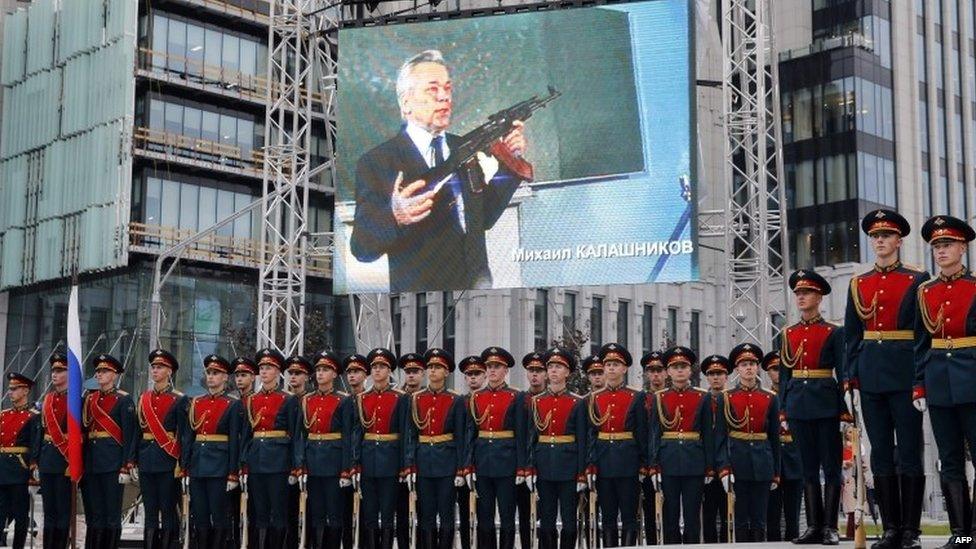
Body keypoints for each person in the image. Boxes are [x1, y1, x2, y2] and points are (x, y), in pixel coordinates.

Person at [349, 49, 529, 292]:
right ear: (406, 103)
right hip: (421, 306)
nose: (444, 97)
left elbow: (482, 218)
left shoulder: (463, 148)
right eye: (433, 89)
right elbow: (361, 248)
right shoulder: (378, 161)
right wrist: (395, 216)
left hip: (480, 295)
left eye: (448, 88)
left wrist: (509, 162)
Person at [844, 209, 929, 549]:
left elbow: (923, 335)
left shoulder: (916, 279)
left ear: (899, 241)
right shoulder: (858, 283)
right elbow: (852, 336)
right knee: (879, 453)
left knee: (908, 452)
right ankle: (891, 528)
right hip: (871, 378)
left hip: (905, 374)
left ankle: (911, 530)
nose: (880, 241)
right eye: (875, 237)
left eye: (886, 236)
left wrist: (920, 379)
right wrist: (850, 380)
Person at [913, 214, 976, 548]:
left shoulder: (975, 288)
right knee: (949, 459)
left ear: (962, 248)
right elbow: (920, 344)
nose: (940, 251)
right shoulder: (925, 292)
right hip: (939, 384)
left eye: (947, 244)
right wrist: (919, 384)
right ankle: (961, 532)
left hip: (972, 379)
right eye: (936, 245)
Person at [781, 270, 850, 545]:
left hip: (826, 402)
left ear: (819, 296)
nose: (801, 297)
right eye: (798, 293)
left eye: (806, 293)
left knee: (831, 465)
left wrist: (846, 411)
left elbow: (843, 371)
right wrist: (783, 409)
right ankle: (813, 526)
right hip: (798, 404)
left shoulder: (834, 331)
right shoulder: (788, 333)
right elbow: (785, 374)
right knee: (807, 467)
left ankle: (830, 526)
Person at [647, 346, 721, 544]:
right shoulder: (659, 397)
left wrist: (709, 468)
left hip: (694, 462)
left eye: (684, 367)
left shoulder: (702, 396)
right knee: (670, 516)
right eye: (675, 367)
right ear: (668, 372)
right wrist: (653, 466)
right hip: (668, 461)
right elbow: (655, 433)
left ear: (690, 371)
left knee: (692, 517)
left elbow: (708, 434)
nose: (680, 371)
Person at [464, 346, 526, 549]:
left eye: (497, 367)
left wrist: (521, 467)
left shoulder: (516, 396)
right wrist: (469, 465)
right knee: (484, 518)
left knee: (508, 518)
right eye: (489, 366)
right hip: (483, 463)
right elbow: (470, 435)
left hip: (507, 463)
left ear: (505, 370)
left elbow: (520, 434)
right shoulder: (476, 397)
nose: (492, 370)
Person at [403, 348, 465, 549]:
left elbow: (460, 437)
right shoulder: (416, 398)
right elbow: (410, 435)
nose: (432, 371)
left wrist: (460, 470)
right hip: (423, 464)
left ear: (446, 372)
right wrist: (410, 465)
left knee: (446, 515)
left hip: (446, 464)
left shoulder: (455, 400)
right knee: (426, 516)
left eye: (437, 367)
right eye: (430, 367)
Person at [585, 343, 646, 547]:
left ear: (625, 368)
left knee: (629, 515)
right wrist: (591, 464)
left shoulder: (636, 396)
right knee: (608, 516)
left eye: (616, 364)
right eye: (608, 364)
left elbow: (642, 434)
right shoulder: (595, 397)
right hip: (603, 463)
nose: (611, 368)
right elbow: (591, 434)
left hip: (628, 462)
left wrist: (644, 464)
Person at [720, 343, 781, 542]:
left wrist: (776, 472)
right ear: (737, 369)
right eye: (744, 364)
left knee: (760, 518)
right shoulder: (727, 398)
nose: (749, 368)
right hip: (737, 461)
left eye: (753, 364)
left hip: (763, 461)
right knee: (740, 517)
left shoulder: (769, 398)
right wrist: (724, 468)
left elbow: (774, 437)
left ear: (757, 368)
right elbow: (721, 436)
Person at [240, 348, 300, 547]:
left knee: (279, 514)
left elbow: (295, 435)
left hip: (279, 463)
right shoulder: (252, 400)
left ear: (277, 372)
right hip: (256, 462)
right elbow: (247, 436)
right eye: (262, 368)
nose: (263, 372)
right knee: (259, 514)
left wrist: (294, 467)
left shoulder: (288, 399)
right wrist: (244, 464)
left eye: (268, 368)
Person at [527, 347, 586, 549]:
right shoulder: (536, 402)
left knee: (570, 524)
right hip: (544, 467)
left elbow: (582, 441)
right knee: (546, 524)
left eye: (559, 367)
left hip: (568, 468)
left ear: (567, 372)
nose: (553, 370)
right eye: (550, 366)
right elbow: (531, 439)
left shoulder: (577, 402)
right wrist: (530, 468)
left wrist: (581, 473)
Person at [296, 350, 354, 549]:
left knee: (334, 515)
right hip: (313, 464)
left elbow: (348, 437)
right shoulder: (307, 400)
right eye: (318, 370)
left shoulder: (343, 400)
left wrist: (346, 469)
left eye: (325, 370)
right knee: (316, 514)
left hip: (334, 463)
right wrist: (301, 466)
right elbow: (301, 436)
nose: (320, 374)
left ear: (335, 374)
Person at [182, 354, 242, 548]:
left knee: (219, 516)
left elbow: (234, 441)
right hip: (198, 466)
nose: (211, 376)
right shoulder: (197, 403)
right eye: (209, 372)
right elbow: (189, 437)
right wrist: (185, 467)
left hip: (219, 467)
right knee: (199, 515)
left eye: (216, 373)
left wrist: (233, 473)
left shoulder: (232, 404)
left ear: (225, 377)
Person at [353, 348, 409, 549]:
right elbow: (357, 433)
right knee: (369, 515)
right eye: (374, 367)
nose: (377, 371)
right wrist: (355, 464)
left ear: (389, 371)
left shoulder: (400, 398)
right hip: (368, 461)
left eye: (382, 367)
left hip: (390, 461)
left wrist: (405, 466)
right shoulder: (362, 398)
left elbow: (405, 434)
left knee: (387, 515)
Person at [81, 353, 137, 549]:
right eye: (98, 371)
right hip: (92, 463)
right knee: (94, 514)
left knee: (111, 515)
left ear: (114, 375)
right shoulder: (89, 399)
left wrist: (126, 466)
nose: (99, 374)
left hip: (113, 463)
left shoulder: (124, 400)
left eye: (104, 371)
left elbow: (129, 436)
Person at [135, 349, 186, 548]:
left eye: (160, 367)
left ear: (169, 372)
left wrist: (182, 463)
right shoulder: (144, 398)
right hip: (147, 460)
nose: (155, 371)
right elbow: (137, 434)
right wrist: (132, 460)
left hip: (168, 461)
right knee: (149, 512)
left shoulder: (179, 399)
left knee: (167, 510)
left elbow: (183, 435)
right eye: (154, 367)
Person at [30, 354, 71, 549]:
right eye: (54, 370)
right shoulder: (47, 400)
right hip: (47, 459)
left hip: (66, 461)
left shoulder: (76, 401)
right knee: (49, 511)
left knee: (63, 512)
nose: (55, 374)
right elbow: (40, 432)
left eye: (60, 370)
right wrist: (35, 461)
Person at [764, 351, 803, 542]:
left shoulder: (797, 394)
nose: (778, 373)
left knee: (793, 515)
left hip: (794, 457)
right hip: (772, 459)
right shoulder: (765, 397)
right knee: (772, 516)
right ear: (767, 372)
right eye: (774, 369)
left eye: (782, 369)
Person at [0, 372, 38, 549]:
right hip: (2, 470)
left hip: (19, 471)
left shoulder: (33, 416)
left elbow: (35, 446)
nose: (10, 392)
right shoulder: (3, 415)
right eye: (10, 389)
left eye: (14, 389)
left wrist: (33, 474)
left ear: (25, 391)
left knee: (20, 517)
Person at [456, 356, 486, 549]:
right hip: (460, 466)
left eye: (477, 374)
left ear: (484, 376)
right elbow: (459, 437)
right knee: (465, 513)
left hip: (483, 464)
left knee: (484, 513)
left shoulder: (486, 400)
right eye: (469, 375)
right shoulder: (460, 402)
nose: (473, 378)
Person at [699, 354, 730, 544]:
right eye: (711, 374)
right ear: (706, 377)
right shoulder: (702, 400)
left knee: (729, 516)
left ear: (726, 376)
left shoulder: (733, 398)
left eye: (720, 373)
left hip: (730, 464)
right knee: (708, 516)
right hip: (706, 466)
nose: (716, 378)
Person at [517, 352, 546, 549]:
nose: (534, 375)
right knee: (524, 513)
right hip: (521, 466)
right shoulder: (520, 399)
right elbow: (518, 435)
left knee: (546, 514)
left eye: (539, 370)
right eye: (531, 371)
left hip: (546, 463)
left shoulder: (548, 399)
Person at [396, 354, 425, 549]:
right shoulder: (398, 397)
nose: (411, 376)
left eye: (415, 372)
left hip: (421, 463)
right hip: (396, 462)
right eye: (408, 372)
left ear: (422, 374)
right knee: (401, 513)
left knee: (423, 512)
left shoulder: (425, 397)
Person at [230, 356, 258, 549]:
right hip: (229, 461)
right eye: (237, 375)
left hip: (251, 459)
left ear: (253, 377)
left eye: (244, 375)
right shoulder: (231, 401)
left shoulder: (255, 401)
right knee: (230, 511)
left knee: (253, 511)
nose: (239, 379)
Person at [639, 351, 667, 545]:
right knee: (648, 509)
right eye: (652, 371)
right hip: (646, 462)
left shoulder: (671, 397)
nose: (656, 374)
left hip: (669, 458)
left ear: (666, 373)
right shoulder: (640, 399)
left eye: (659, 370)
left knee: (670, 511)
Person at [342, 354, 369, 549]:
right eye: (349, 372)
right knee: (344, 514)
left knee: (364, 513)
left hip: (366, 463)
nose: (352, 376)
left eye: (356, 371)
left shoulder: (367, 400)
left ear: (365, 375)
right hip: (342, 464)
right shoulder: (343, 401)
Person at [285, 355, 312, 549]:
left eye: (298, 373)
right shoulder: (285, 400)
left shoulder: (308, 400)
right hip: (284, 463)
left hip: (308, 462)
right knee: (288, 512)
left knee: (310, 512)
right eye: (291, 373)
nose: (293, 377)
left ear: (306, 377)